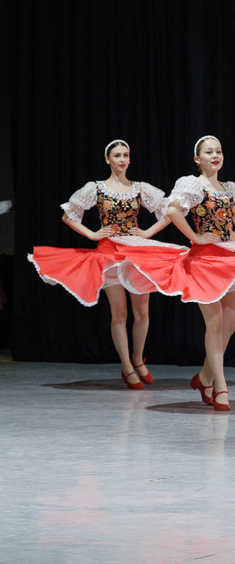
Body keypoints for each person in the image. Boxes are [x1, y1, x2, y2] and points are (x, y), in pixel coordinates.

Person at [119, 136, 235, 410]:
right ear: (198, 159)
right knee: (215, 324)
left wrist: (234, 237)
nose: (215, 155)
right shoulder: (192, 184)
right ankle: (221, 388)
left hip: (227, 260)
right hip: (203, 262)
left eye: (218, 151)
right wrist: (195, 237)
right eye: (209, 152)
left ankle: (205, 377)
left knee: (231, 323)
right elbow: (173, 211)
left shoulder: (229, 188)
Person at [28, 140, 175, 388]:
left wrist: (147, 232)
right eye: (117, 155)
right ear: (108, 159)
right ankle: (127, 367)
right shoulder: (96, 188)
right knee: (120, 313)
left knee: (142, 312)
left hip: (136, 253)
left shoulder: (139, 188)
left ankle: (138, 359)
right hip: (109, 254)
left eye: (125, 155)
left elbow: (171, 211)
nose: (122, 159)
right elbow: (68, 216)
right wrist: (93, 234)